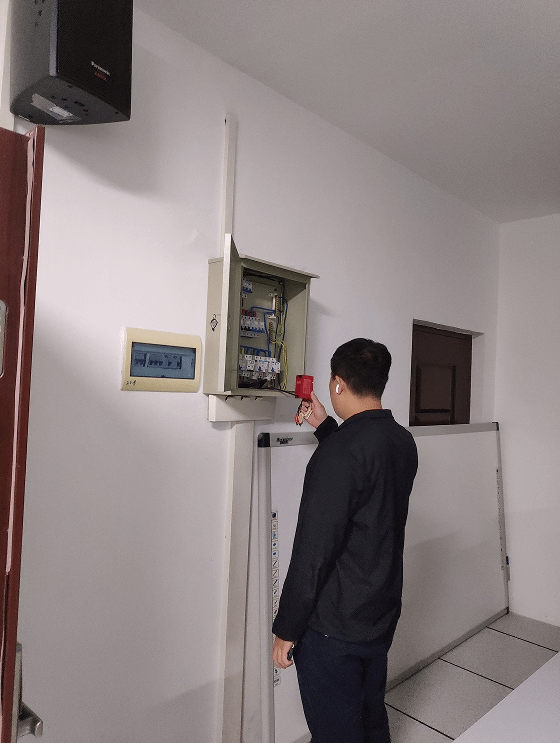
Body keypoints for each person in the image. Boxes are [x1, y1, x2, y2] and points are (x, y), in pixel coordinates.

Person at [272, 338, 418, 743]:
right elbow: (366, 485)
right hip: (378, 613)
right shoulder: (402, 442)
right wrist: (326, 428)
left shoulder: (337, 456)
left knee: (337, 732)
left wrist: (287, 627)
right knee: (371, 720)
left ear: (337, 383)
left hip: (333, 627)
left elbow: (313, 551)